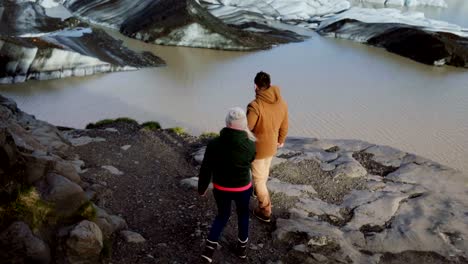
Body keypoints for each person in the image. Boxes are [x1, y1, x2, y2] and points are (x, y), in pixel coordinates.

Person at [198, 107, 256, 263]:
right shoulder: (250, 144)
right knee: (243, 215)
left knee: (222, 216)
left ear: (227, 123)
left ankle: (208, 253)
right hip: (242, 188)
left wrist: (202, 188)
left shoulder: (214, 144)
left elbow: (206, 167)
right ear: (244, 124)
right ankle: (242, 251)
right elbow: (250, 161)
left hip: (221, 188)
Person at [247, 71, 288, 223]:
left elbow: (247, 128)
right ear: (269, 84)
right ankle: (258, 192)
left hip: (258, 149)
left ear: (255, 86)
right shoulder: (281, 102)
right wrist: (281, 139)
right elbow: (285, 124)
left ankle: (265, 210)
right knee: (263, 173)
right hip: (272, 146)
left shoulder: (255, 106)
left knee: (258, 180)